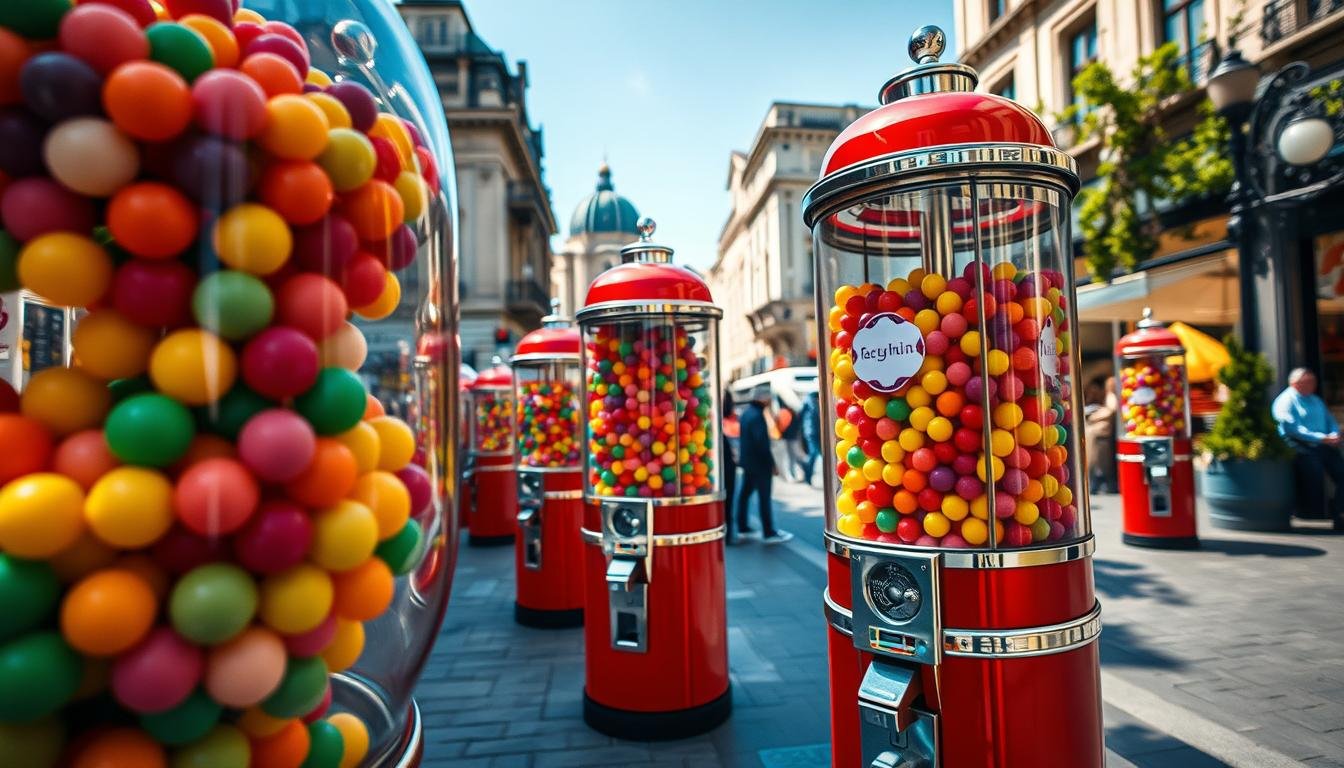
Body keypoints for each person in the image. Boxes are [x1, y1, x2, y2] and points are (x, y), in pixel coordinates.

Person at [1272, 368, 1344, 529]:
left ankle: (1339, 511)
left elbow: (1329, 419)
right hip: (1301, 445)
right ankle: (1308, 510)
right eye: (1308, 382)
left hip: (1324, 444)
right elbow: (1293, 430)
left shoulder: (1315, 400)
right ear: (1295, 384)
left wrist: (1334, 434)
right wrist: (1322, 438)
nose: (1313, 385)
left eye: (1314, 382)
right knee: (1313, 472)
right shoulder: (1285, 401)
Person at [737, 384, 793, 544]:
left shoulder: (747, 413)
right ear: (763, 398)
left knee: (744, 495)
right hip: (760, 464)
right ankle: (768, 532)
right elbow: (762, 444)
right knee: (764, 497)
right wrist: (772, 464)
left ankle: (742, 527)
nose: (770, 400)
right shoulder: (757, 416)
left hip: (748, 463)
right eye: (768, 397)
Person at [1084, 376, 1118, 493]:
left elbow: (1111, 409)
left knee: (1098, 460)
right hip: (1099, 435)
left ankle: (1099, 484)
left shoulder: (1111, 396)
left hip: (1101, 435)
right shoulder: (1107, 396)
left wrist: (1094, 417)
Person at [721, 389, 741, 545]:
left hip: (722, 469)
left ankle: (726, 532)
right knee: (729, 502)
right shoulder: (733, 420)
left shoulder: (714, 422)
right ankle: (728, 533)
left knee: (725, 503)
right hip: (729, 468)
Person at [800, 391, 821, 485]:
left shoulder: (812, 402)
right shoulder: (808, 402)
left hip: (815, 431)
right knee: (814, 453)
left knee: (816, 453)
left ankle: (808, 473)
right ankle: (807, 472)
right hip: (811, 432)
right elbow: (800, 416)